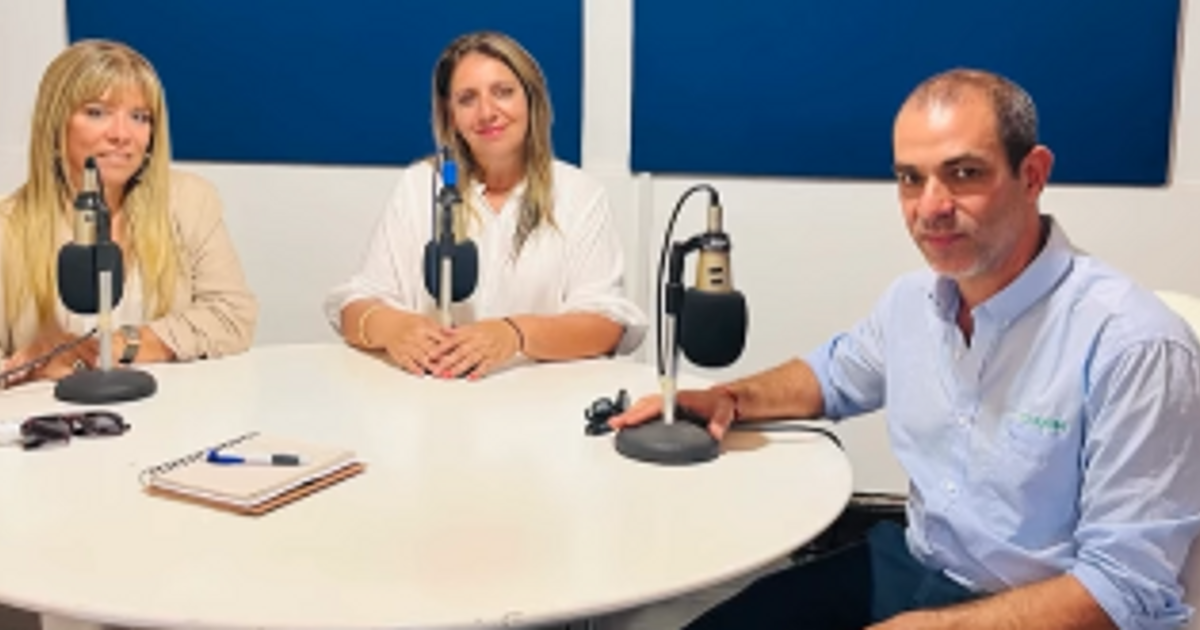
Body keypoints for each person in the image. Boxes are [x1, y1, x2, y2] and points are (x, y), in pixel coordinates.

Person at [612, 69, 1200, 629]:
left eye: (964, 174)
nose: (930, 207)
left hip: (1040, 610)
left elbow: (1127, 591)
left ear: (1032, 175)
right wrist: (729, 398)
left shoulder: (1136, 346)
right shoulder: (913, 301)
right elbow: (831, 375)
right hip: (912, 566)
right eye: (910, 179)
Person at [325, 31, 645, 379]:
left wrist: (514, 334)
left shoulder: (579, 193)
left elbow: (607, 326)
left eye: (503, 92)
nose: (487, 112)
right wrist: (394, 328)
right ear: (450, 115)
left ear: (531, 100)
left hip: (537, 398)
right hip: (436, 396)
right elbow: (353, 308)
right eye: (467, 99)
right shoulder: (421, 185)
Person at [0, 39, 257, 386]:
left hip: (169, 409)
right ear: (55, 123)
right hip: (55, 414)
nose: (122, 135)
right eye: (97, 112)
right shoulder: (8, 226)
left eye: (139, 117)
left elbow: (232, 316)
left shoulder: (189, 201)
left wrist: (124, 344)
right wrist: (30, 361)